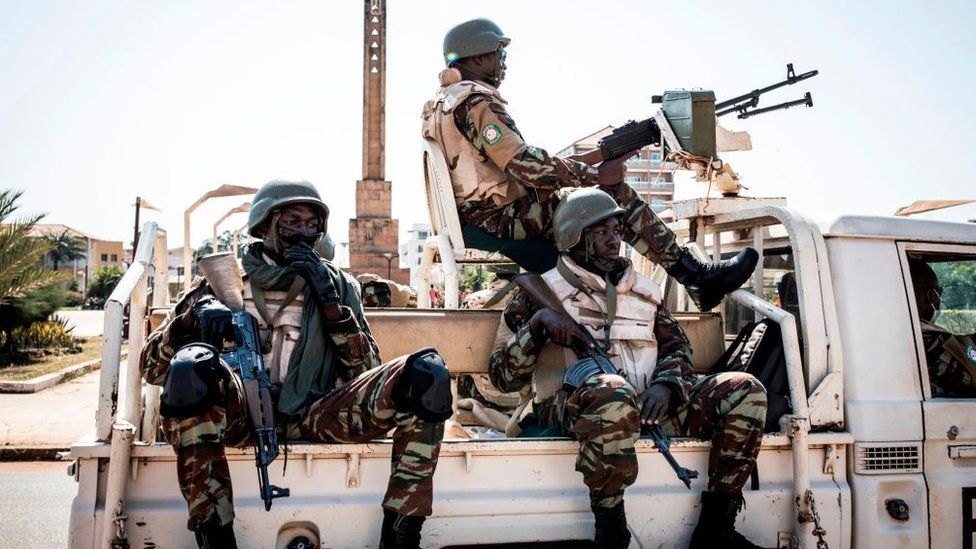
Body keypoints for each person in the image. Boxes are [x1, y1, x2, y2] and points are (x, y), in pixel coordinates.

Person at [141, 180, 451, 549]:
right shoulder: (220, 284)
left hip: (319, 412)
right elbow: (153, 368)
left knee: (427, 374)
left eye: (311, 224)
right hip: (242, 415)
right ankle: (215, 537)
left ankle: (401, 535)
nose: (303, 232)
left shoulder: (337, 285)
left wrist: (331, 303)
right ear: (265, 226)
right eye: (291, 221)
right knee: (189, 368)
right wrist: (190, 321)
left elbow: (364, 371)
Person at [488, 188, 768, 548]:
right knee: (612, 393)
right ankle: (612, 532)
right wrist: (538, 326)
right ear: (574, 237)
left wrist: (666, 387)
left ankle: (717, 527)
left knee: (746, 390)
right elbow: (501, 377)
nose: (615, 240)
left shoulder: (645, 292)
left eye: (618, 230)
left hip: (648, 407)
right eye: (602, 232)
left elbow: (677, 348)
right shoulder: (540, 291)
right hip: (575, 407)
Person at [422, 17, 758, 312]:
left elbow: (519, 166)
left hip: (485, 214)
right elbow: (523, 165)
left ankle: (688, 276)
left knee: (601, 197)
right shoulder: (477, 103)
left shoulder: (449, 102)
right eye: (501, 55)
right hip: (495, 221)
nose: (504, 64)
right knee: (610, 197)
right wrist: (594, 176)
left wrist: (597, 159)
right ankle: (693, 276)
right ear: (480, 56)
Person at [909, 257, 976, 397]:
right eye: (939, 292)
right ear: (930, 294)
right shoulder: (929, 339)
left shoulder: (898, 329)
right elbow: (970, 377)